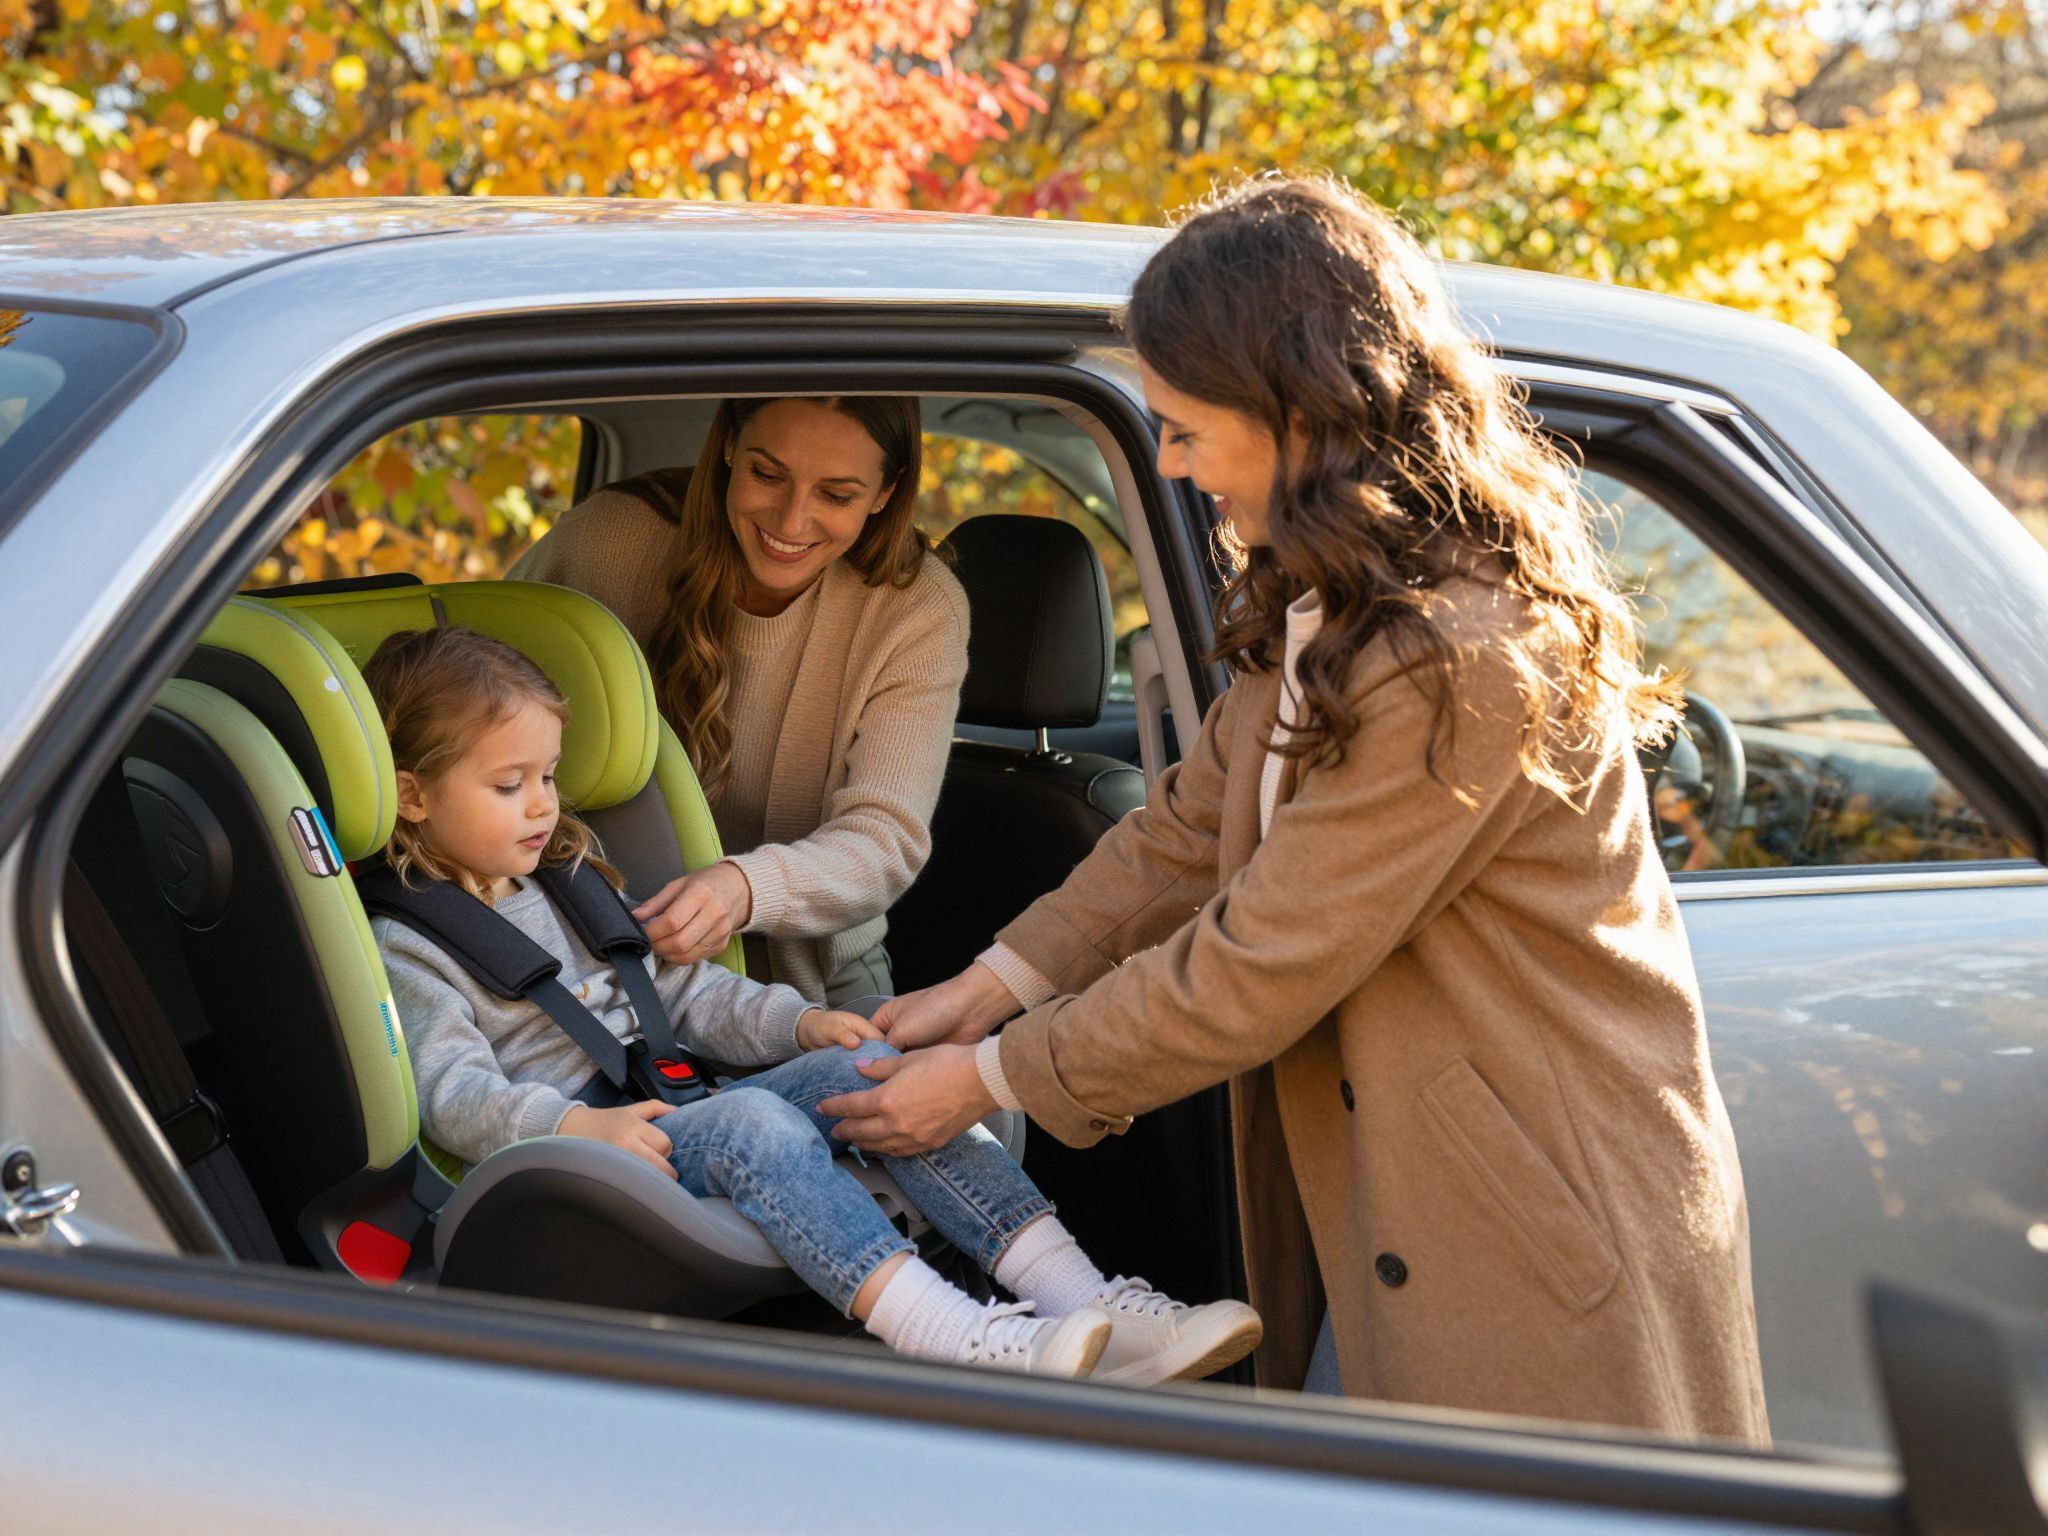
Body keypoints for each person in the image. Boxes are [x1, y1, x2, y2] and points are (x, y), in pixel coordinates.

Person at [817, 175, 1772, 1442]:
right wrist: (986, 982)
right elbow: (1179, 829)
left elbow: (1258, 961)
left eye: (1181, 424)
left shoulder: (1465, 651)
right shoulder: (1322, 596)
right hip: (1395, 1209)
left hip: (1536, 1235)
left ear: (1297, 410)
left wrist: (986, 1078)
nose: (1162, 457)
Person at [361, 622, 1262, 1384]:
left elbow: (688, 992)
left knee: (871, 1070)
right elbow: (455, 1095)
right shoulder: (413, 945)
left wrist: (800, 1022)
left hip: (686, 1110)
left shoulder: (569, 880)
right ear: (411, 797)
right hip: (584, 1158)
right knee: (755, 1117)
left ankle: (1084, 1300)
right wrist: (573, 1128)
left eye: (550, 778)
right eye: (509, 785)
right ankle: (952, 1332)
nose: (542, 807)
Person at [509, 396, 965, 1007]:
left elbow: (885, 839)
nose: (792, 520)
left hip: (817, 976)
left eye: (836, 495)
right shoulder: (610, 542)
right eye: (767, 474)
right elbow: (463, 685)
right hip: (593, 960)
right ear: (728, 444)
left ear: (886, 492)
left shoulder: (915, 608)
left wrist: (743, 888)